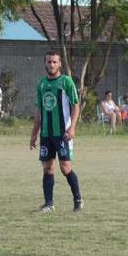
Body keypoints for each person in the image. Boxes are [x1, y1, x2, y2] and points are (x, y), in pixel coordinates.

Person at [29, 50, 84, 213]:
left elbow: (76, 105)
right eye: (49, 62)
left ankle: (78, 199)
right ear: (45, 64)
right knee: (47, 168)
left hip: (63, 133)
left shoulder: (66, 82)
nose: (51, 65)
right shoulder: (41, 84)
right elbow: (39, 110)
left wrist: (72, 127)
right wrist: (34, 133)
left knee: (65, 167)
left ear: (59, 64)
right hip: (46, 134)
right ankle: (48, 204)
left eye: (54, 62)